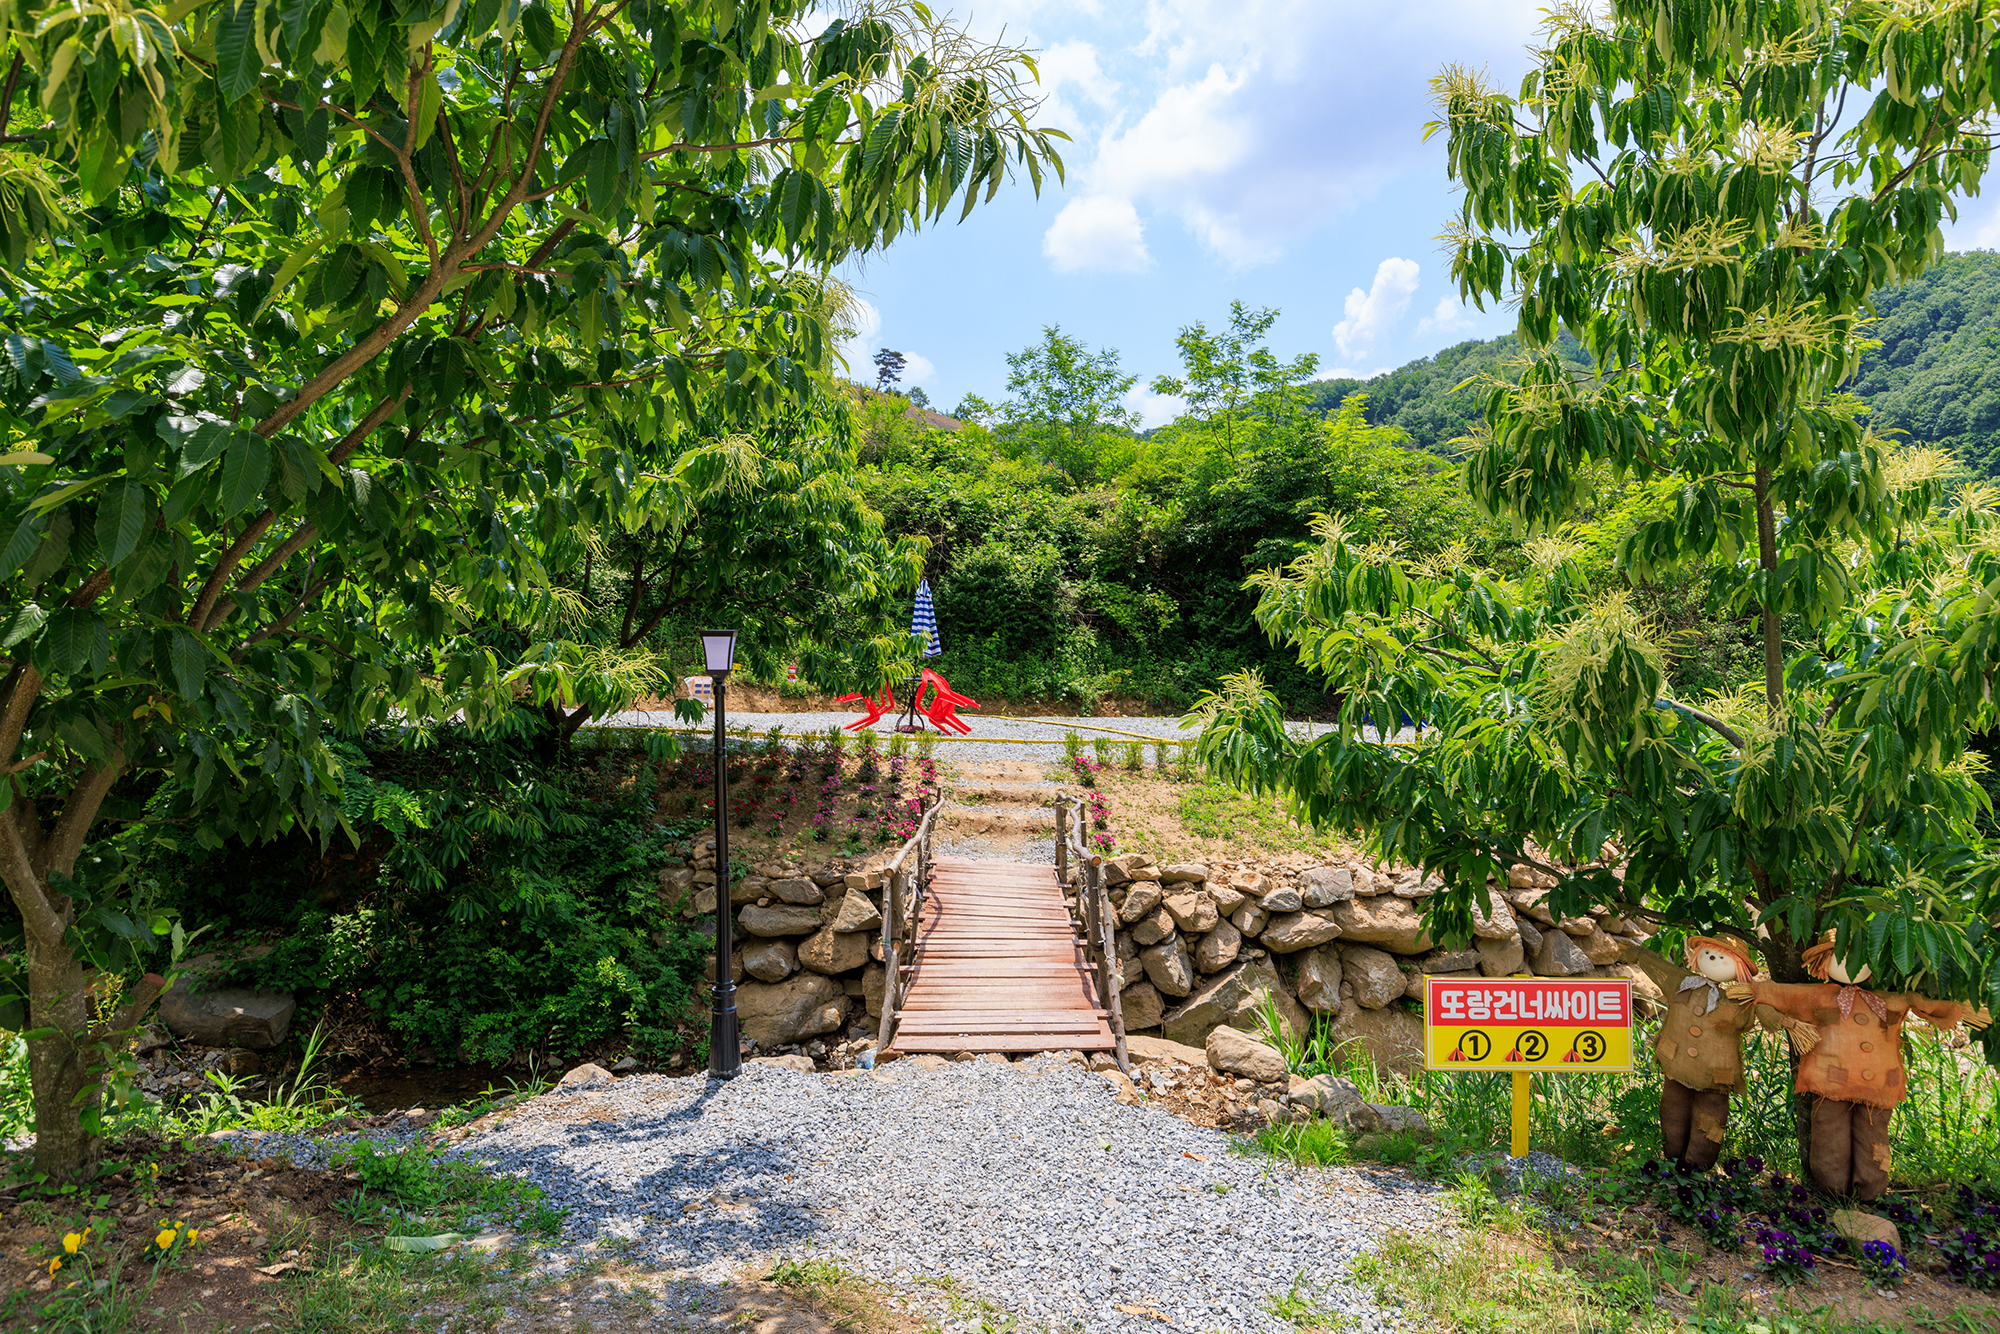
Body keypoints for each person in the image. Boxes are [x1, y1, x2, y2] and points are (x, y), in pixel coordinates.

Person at [1728, 930, 1988, 1200]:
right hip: (1830, 1083)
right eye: (1840, 957)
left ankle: (1869, 1192)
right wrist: (1763, 1004)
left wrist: (1959, 1009)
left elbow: (1927, 1005)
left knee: (1874, 1138)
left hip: (1878, 1085)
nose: (1849, 965)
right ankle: (1834, 1190)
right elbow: (1774, 993)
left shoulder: (1890, 1001)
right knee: (1829, 1132)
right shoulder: (1819, 995)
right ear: (1823, 963)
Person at [1621, 935, 1812, 1170]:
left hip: (1715, 1076)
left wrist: (1784, 1020)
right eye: (1709, 953)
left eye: (1723, 957)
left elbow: (1762, 1008)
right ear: (1698, 955)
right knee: (1672, 1111)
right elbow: (1661, 968)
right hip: (1676, 1064)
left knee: (1710, 1120)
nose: (1713, 959)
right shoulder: (1683, 982)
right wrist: (1640, 954)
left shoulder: (1740, 1000)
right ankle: (1672, 1162)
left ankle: (1697, 1167)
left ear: (1739, 969)